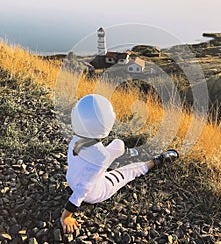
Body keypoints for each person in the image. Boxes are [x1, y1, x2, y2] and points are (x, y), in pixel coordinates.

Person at [60, 94, 178, 234]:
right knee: (129, 172)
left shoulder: (75, 139)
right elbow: (82, 190)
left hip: (72, 179)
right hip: (95, 192)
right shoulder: (100, 156)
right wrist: (66, 216)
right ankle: (157, 160)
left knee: (118, 144)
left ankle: (128, 153)